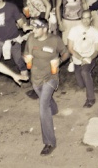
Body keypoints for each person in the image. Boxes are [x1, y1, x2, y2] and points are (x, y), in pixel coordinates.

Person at [25, 16, 69, 156]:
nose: (33, 30)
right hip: (35, 78)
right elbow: (26, 53)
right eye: (33, 28)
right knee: (45, 99)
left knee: (43, 106)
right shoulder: (31, 38)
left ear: (44, 29)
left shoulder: (55, 40)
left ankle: (49, 142)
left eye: (36, 28)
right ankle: (54, 109)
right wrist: (26, 58)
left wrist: (59, 61)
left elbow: (66, 53)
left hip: (51, 77)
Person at [67, 9, 98, 108]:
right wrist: (81, 58)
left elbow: (97, 50)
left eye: (88, 18)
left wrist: (89, 58)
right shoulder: (74, 30)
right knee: (81, 84)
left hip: (90, 57)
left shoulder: (95, 32)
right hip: (77, 58)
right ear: (81, 19)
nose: (85, 20)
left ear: (91, 19)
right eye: (83, 18)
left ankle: (91, 99)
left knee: (85, 72)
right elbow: (70, 48)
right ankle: (89, 80)